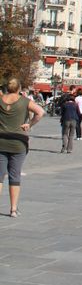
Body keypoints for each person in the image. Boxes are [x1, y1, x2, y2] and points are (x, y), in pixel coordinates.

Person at [0, 77, 45, 217]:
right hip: (18, 142)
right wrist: (29, 124)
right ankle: (13, 209)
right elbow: (40, 112)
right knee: (14, 175)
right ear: (19, 88)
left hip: (1, 140)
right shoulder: (25, 101)